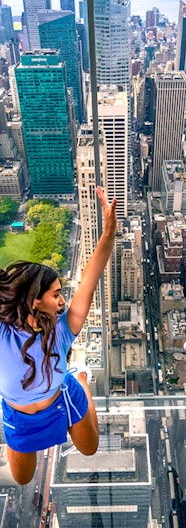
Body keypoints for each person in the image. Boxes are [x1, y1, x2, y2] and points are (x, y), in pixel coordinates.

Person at [0, 187, 117, 485]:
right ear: (34, 300)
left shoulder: (61, 331)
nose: (63, 301)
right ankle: (75, 377)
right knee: (23, 479)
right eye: (56, 295)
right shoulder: (2, 334)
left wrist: (108, 235)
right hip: (19, 416)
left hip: (61, 399)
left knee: (89, 449)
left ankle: (80, 379)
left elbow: (89, 281)